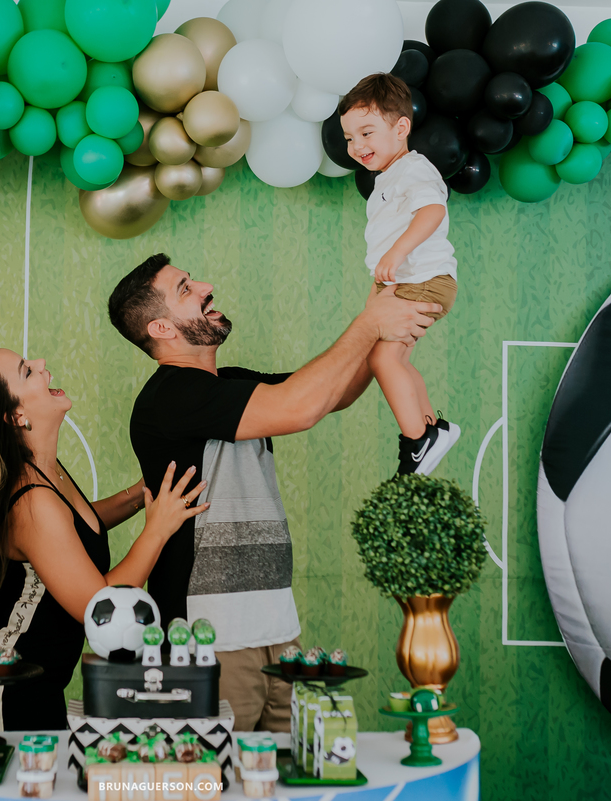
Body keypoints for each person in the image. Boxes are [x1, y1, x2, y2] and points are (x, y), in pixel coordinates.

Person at [107, 253, 439, 732]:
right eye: (185, 289)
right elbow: (299, 407)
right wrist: (369, 325)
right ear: (161, 328)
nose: (205, 285)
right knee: (217, 778)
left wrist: (383, 323)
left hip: (275, 628)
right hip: (207, 638)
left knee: (282, 775)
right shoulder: (171, 395)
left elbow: (332, 394)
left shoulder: (228, 384)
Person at [0, 347, 208, 732]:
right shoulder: (33, 501)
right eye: (26, 371)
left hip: (24, 678)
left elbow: (72, 531)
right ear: (15, 415)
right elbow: (101, 608)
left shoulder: (41, 471)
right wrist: (158, 528)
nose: (42, 367)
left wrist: (140, 494)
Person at [340, 72, 461, 475]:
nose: (358, 146)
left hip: (421, 279)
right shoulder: (388, 177)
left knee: (383, 359)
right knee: (397, 360)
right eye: (350, 138)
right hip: (405, 281)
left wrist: (397, 251)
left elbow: (432, 212)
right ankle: (431, 427)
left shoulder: (413, 169)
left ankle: (417, 441)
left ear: (401, 128)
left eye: (367, 133)